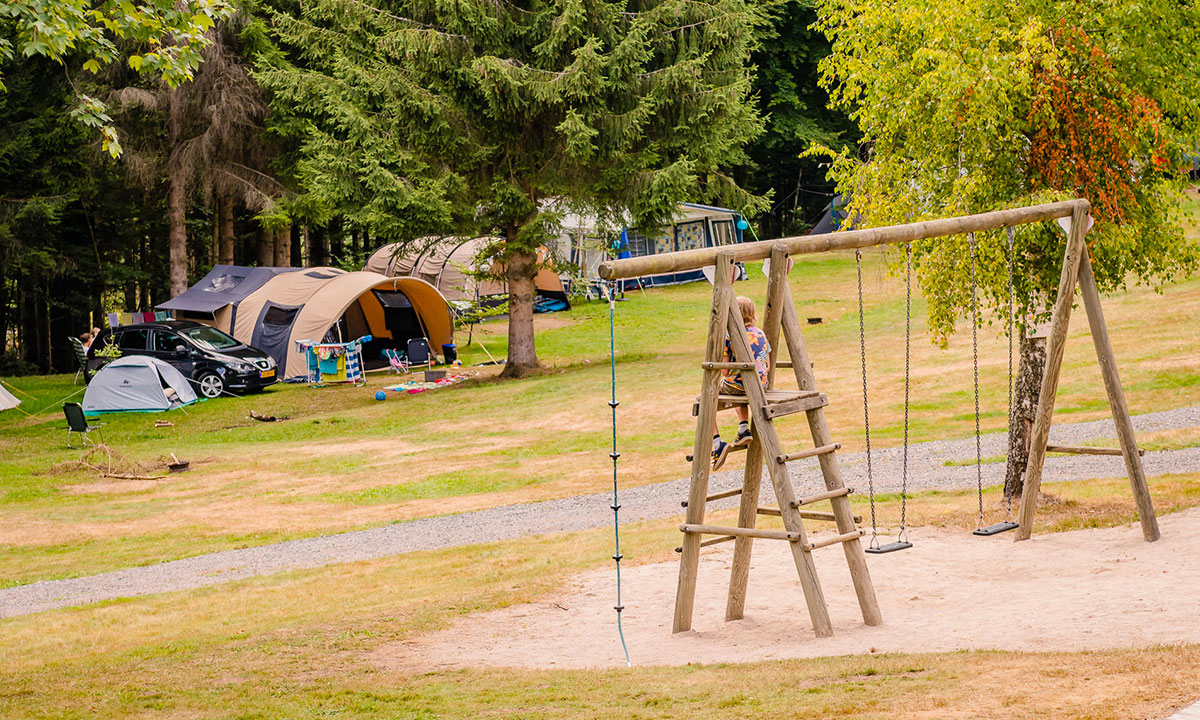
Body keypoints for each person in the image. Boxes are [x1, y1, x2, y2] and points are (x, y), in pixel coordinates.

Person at [712, 295, 771, 470]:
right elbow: (766, 364)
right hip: (760, 384)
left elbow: (725, 371)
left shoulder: (729, 336)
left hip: (738, 385)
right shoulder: (760, 333)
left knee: (704, 401)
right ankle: (743, 427)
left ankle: (717, 443)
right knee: (741, 387)